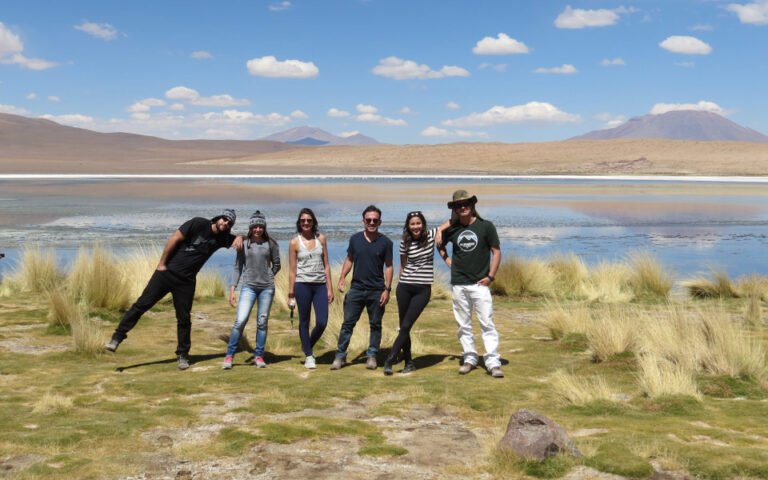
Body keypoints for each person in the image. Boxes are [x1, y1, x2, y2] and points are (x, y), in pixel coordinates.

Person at [105, 209, 242, 370]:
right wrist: (162, 264)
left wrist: (239, 236)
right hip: (166, 274)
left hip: (186, 282)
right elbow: (175, 238)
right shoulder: (198, 223)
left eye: (229, 223)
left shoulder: (224, 237)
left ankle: (183, 355)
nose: (225, 223)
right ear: (218, 218)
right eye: (224, 219)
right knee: (141, 305)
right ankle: (117, 338)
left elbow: (246, 239)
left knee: (184, 319)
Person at [438, 190, 504, 378]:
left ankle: (493, 362)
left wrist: (491, 276)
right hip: (459, 283)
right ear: (455, 209)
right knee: (463, 324)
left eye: (465, 204)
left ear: (472, 205)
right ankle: (470, 358)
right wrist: (448, 261)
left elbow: (496, 252)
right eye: (458, 205)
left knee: (487, 323)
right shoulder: (453, 229)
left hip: (480, 284)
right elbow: (440, 245)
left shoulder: (486, 227)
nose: (462, 207)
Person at [331, 205, 393, 370]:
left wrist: (387, 289)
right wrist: (342, 277)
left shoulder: (386, 242)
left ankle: (372, 355)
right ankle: (340, 356)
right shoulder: (355, 239)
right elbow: (349, 259)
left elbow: (389, 266)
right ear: (363, 221)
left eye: (375, 220)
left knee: (375, 324)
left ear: (380, 221)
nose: (372, 222)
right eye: (368, 220)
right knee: (348, 324)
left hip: (377, 291)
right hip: (356, 289)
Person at [222, 211, 281, 370]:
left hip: (267, 288)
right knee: (240, 321)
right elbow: (237, 267)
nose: (257, 229)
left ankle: (259, 356)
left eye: (260, 226)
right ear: (250, 227)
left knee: (262, 322)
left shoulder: (271, 244)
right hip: (248, 287)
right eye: (255, 226)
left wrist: (268, 275)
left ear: (264, 227)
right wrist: (232, 289)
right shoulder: (243, 243)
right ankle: (229, 356)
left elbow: (277, 264)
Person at [383, 211, 437, 376]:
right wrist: (401, 282)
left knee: (406, 326)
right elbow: (403, 265)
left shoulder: (431, 235)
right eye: (412, 224)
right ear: (408, 226)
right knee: (404, 327)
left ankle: (390, 359)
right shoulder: (404, 242)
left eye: (418, 223)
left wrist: (441, 232)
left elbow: (451, 221)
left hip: (423, 289)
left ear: (423, 224)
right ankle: (409, 362)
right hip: (404, 287)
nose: (415, 227)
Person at [287, 208, 334, 370]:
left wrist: (330, 288)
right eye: (302, 221)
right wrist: (290, 294)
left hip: (320, 285)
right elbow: (292, 270)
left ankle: (307, 344)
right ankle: (309, 355)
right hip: (302, 285)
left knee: (322, 321)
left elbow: (326, 265)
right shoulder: (294, 242)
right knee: (304, 321)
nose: (306, 223)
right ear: (299, 223)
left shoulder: (321, 239)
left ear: (313, 222)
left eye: (309, 220)